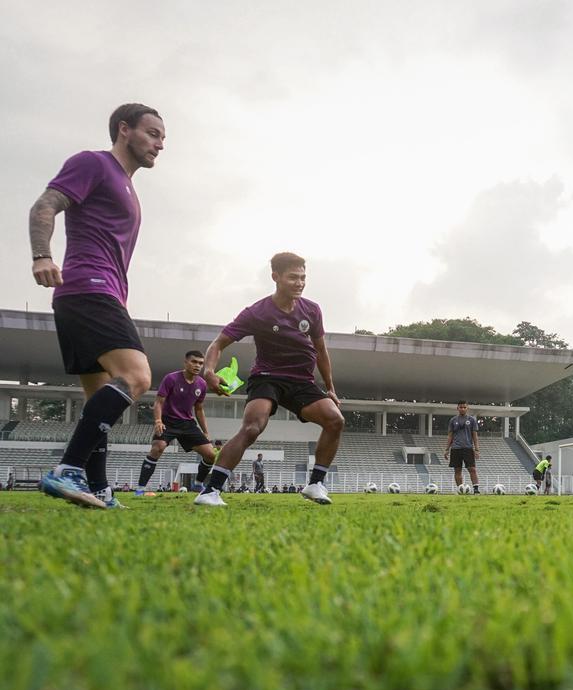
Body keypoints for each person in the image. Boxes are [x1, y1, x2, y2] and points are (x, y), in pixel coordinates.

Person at [33, 103, 165, 510]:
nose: (160, 144)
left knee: (99, 399)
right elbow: (44, 205)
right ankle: (67, 468)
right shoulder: (93, 163)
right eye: (153, 133)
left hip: (86, 295)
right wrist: (41, 254)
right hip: (91, 289)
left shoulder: (129, 187)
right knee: (137, 376)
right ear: (124, 130)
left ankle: (99, 488)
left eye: (163, 138)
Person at [196, 252, 345, 506]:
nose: (299, 283)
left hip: (301, 381)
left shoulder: (312, 310)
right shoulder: (257, 312)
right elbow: (219, 343)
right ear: (275, 277)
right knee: (253, 427)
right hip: (268, 377)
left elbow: (321, 350)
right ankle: (210, 491)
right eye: (293, 278)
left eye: (303, 278)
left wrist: (330, 388)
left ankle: (315, 484)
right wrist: (208, 372)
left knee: (335, 420)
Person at [136, 350, 218, 497]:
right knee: (157, 448)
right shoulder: (171, 378)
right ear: (185, 362)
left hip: (187, 424)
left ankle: (198, 485)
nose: (197, 365)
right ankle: (140, 489)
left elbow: (199, 409)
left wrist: (205, 431)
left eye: (200, 363)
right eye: (194, 362)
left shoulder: (202, 384)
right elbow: (158, 402)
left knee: (211, 455)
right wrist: (158, 421)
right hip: (167, 421)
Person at [445, 401, 481, 494]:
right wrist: (447, 449)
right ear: (457, 408)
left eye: (464, 407)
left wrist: (476, 449)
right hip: (455, 448)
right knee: (457, 470)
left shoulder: (472, 420)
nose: (462, 409)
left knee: (472, 469)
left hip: (468, 448)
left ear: (467, 408)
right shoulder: (453, 420)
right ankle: (460, 489)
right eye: (461, 407)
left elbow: (475, 436)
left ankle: (476, 489)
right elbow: (450, 436)